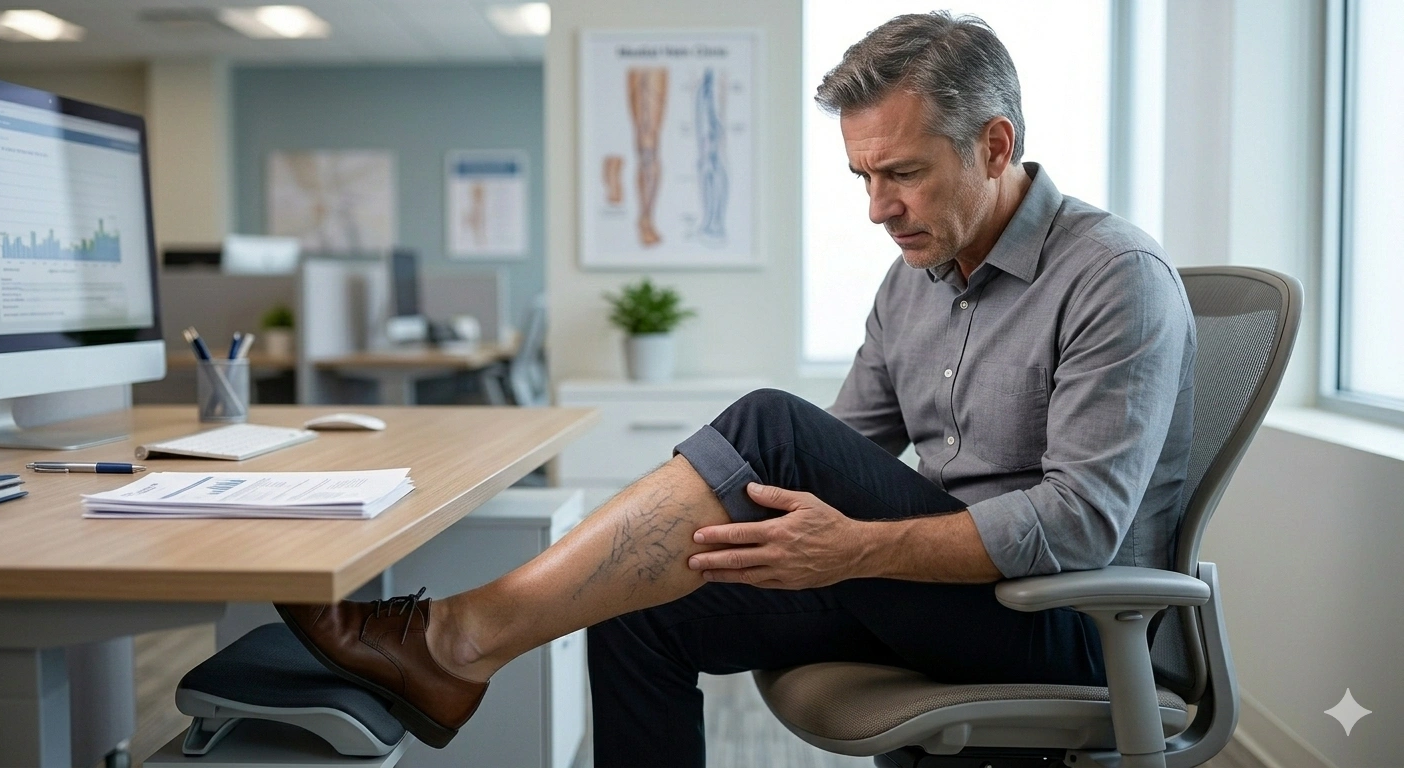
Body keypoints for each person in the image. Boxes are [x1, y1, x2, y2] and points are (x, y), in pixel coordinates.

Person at [275, 11, 1196, 767]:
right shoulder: (912, 277)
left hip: (1065, 619)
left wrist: (853, 551)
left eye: (903, 173)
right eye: (862, 177)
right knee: (635, 611)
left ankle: (459, 637)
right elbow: (835, 457)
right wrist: (715, 543)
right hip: (936, 595)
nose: (877, 209)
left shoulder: (1114, 275)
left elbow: (1076, 526)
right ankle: (459, 646)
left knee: (766, 421)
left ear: (995, 145)